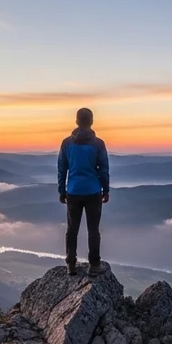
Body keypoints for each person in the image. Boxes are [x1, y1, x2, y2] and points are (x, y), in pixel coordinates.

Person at [58, 107, 110, 274]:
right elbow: (104, 169)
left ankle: (70, 265)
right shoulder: (98, 144)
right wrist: (106, 189)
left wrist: (61, 189)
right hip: (93, 191)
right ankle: (94, 265)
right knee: (93, 229)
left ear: (76, 121)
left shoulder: (66, 143)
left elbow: (62, 168)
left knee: (72, 229)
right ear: (92, 121)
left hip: (73, 191)